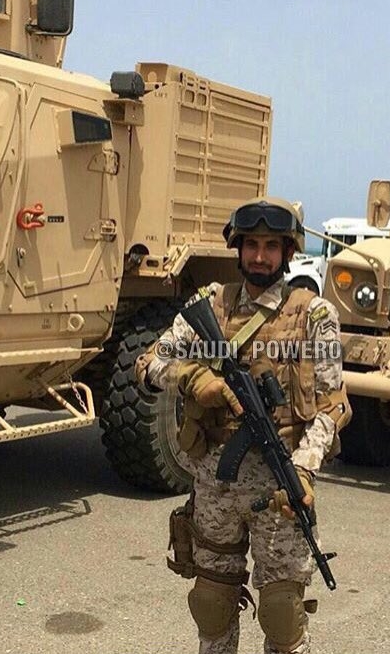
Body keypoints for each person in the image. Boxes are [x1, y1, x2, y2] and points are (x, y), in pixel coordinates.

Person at [135, 197, 351, 654]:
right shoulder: (209, 305)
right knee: (212, 604)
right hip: (216, 482)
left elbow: (333, 406)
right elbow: (149, 363)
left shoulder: (316, 316)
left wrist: (305, 468)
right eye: (251, 245)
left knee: (281, 613)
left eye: (271, 247)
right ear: (238, 248)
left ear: (288, 252)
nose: (259, 256)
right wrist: (192, 378)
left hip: (281, 484)